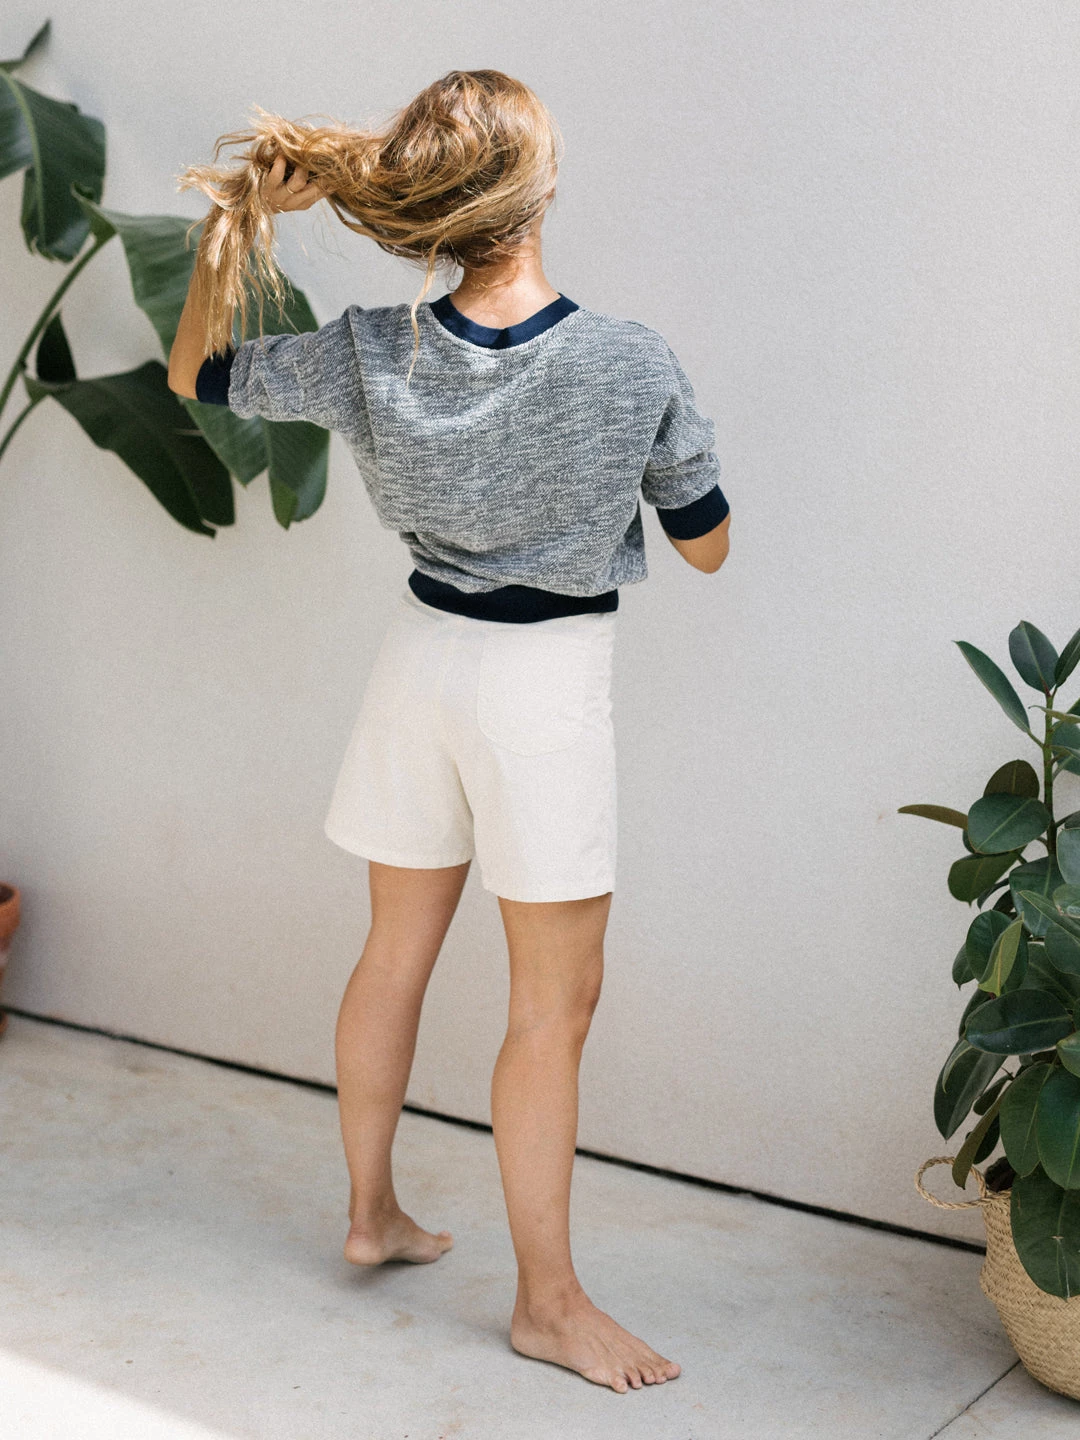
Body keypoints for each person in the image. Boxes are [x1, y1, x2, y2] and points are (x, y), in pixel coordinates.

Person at [167, 68, 730, 1395]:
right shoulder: (629, 358)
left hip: (416, 667)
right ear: (541, 190)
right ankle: (549, 1305)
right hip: (543, 691)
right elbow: (707, 547)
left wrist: (234, 228)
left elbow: (196, 373)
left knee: (393, 954)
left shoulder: (375, 350)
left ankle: (372, 1214)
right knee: (552, 1009)